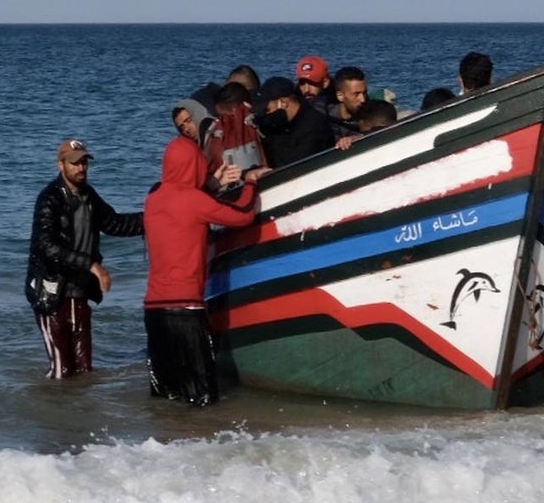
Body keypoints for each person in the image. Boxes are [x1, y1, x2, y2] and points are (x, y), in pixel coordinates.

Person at [143, 137, 259, 405]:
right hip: (186, 311)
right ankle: (205, 442)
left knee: (167, 395)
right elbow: (242, 215)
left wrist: (212, 185)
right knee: (204, 397)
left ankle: (164, 443)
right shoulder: (194, 200)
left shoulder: (153, 200)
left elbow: (184, 205)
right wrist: (250, 181)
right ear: (195, 164)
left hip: (154, 311)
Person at [25, 139, 144, 380]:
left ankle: (81, 414)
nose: (81, 168)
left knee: (84, 370)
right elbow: (46, 246)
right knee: (62, 371)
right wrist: (93, 266)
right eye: (74, 163)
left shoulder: (89, 196)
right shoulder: (49, 199)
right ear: (61, 165)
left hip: (79, 293)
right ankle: (51, 412)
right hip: (51, 293)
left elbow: (115, 223)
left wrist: (156, 215)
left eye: (84, 162)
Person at [252, 76, 336, 168]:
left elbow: (295, 168)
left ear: (284, 103)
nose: (266, 115)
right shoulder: (277, 125)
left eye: (267, 110)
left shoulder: (314, 128)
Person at [327, 66, 368, 139]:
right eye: (356, 94)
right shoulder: (326, 120)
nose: (362, 99)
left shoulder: (371, 113)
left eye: (364, 93)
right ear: (340, 96)